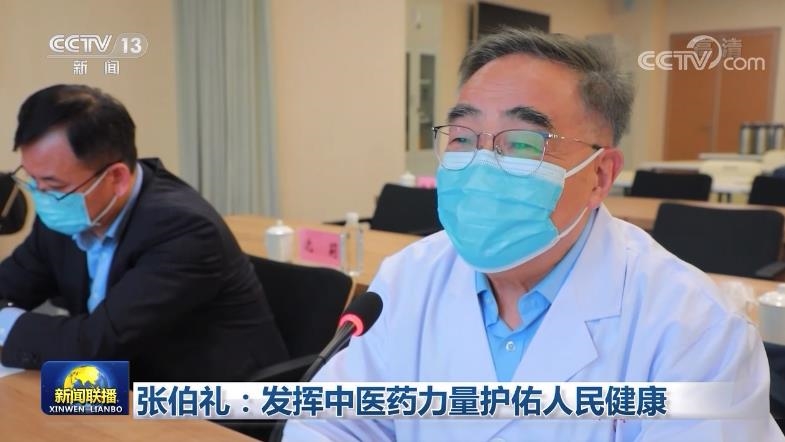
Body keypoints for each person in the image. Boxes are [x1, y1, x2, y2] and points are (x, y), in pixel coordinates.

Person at [284, 29, 782, 440]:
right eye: (463, 138)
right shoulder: (407, 279)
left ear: (600, 175)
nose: (481, 163)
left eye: (523, 143)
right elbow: (326, 423)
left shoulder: (694, 330)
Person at [0, 84, 288, 381]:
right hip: (123, 375)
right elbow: (8, 284)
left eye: (53, 185)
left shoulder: (185, 230)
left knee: (41, 404)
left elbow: (95, 344)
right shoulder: (67, 211)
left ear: (116, 177)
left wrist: (6, 323)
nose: (41, 196)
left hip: (204, 395)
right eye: (32, 180)